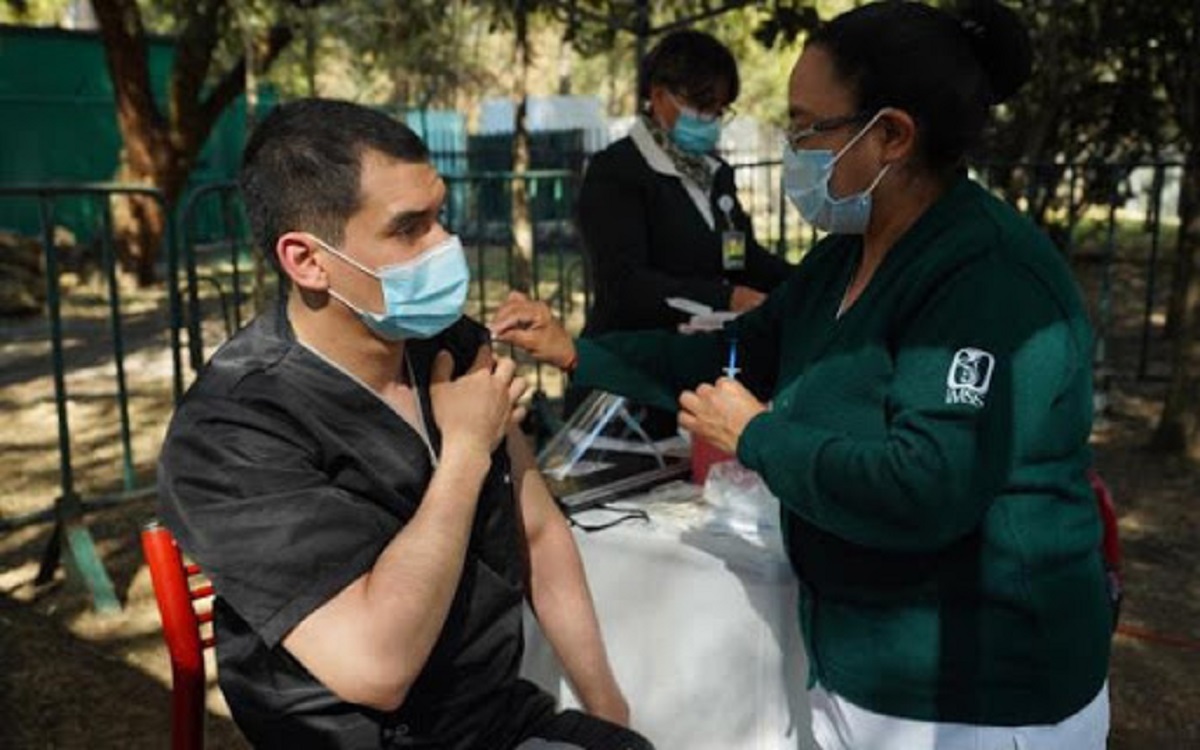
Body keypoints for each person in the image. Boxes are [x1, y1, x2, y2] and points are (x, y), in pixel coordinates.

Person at [491, 2, 1111, 748]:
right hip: (861, 667)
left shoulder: (988, 279)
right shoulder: (847, 254)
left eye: (805, 126)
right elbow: (738, 352)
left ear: (891, 134)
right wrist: (578, 353)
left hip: (979, 692)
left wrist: (759, 437)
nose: (790, 147)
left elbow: (926, 487)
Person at [157, 98, 653, 750]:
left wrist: (608, 712)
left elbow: (539, 532)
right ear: (308, 260)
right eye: (408, 228)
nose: (446, 244)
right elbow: (377, 667)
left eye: (440, 215)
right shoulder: (232, 431)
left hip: (493, 717)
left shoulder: (451, 347)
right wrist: (465, 452)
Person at [574, 29, 793, 435]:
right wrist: (728, 297)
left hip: (695, 372)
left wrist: (808, 285)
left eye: (720, 109)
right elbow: (626, 283)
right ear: (659, 96)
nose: (710, 120)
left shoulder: (713, 173)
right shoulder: (617, 172)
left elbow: (741, 256)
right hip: (629, 377)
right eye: (702, 105)